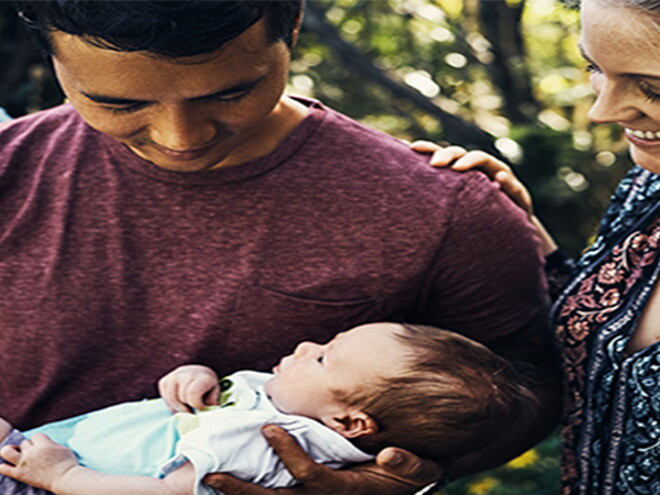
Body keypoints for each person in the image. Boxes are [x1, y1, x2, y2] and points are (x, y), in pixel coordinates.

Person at [1, 2, 561, 493]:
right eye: (119, 103)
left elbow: (532, 388)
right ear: (50, 53)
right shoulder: (11, 168)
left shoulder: (446, 210)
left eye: (232, 92)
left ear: (290, 26)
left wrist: (394, 479)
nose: (181, 138)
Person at [413, 1, 660, 493]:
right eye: (594, 67)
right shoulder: (646, 185)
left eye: (653, 88)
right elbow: (604, 331)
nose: (602, 110)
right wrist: (523, 227)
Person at [0, 323, 538, 495]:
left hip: (52, 479)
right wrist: (198, 379)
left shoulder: (263, 441)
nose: (306, 349)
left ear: (349, 423)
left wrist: (63, 476)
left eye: (324, 357)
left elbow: (165, 494)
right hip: (48, 449)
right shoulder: (283, 397)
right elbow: (216, 400)